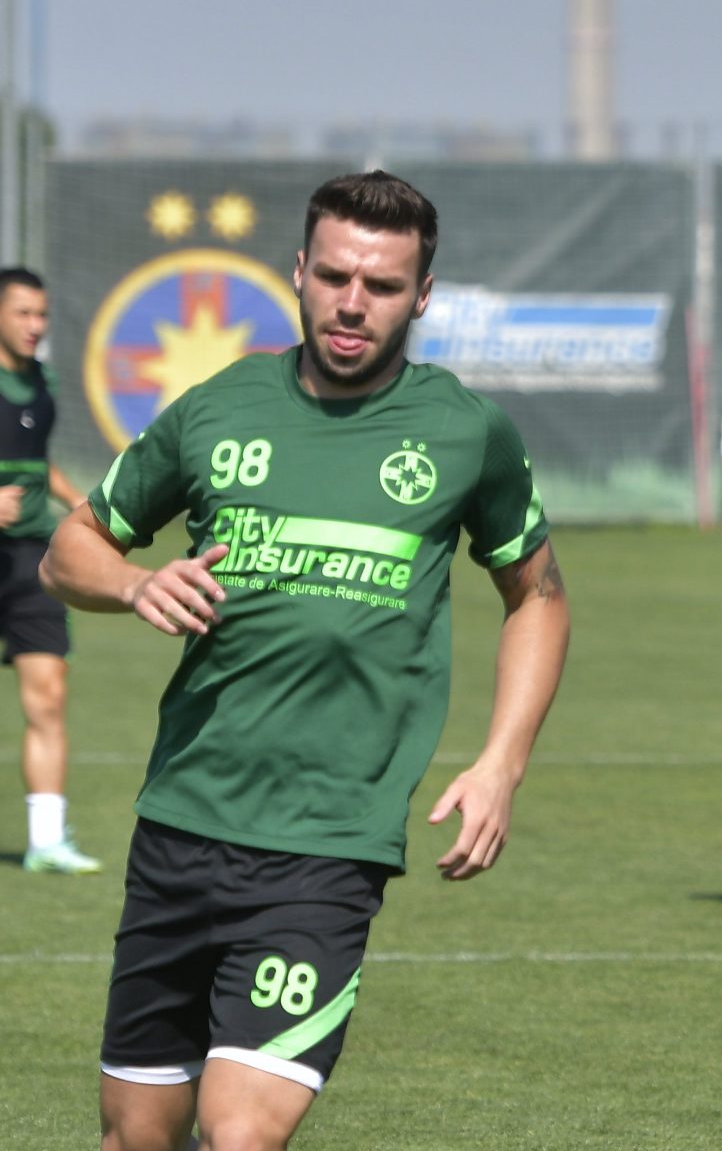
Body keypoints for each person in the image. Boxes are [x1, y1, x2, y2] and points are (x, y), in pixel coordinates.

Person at [41, 170, 570, 1151]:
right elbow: (71, 546)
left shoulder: (465, 434)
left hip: (325, 847)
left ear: (422, 294)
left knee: (240, 1136)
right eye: (334, 276)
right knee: (135, 1137)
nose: (352, 302)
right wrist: (134, 584)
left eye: (380, 284)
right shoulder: (218, 406)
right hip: (180, 825)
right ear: (298, 272)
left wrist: (502, 763)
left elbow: (536, 595)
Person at [0, 267, 97, 873]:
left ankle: (46, 840)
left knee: (49, 694)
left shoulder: (44, 381)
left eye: (43, 315)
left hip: (32, 557)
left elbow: (35, 461)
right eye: (24, 314)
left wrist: (80, 501)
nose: (37, 326)